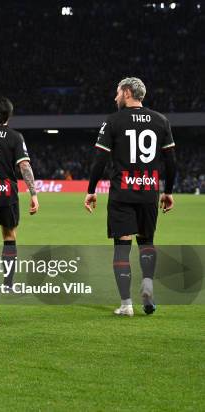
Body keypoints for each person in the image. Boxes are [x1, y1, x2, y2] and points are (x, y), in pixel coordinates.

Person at [85, 77, 177, 317]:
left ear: (127, 92)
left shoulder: (113, 121)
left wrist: (91, 190)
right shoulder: (161, 120)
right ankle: (147, 281)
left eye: (117, 93)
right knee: (146, 242)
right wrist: (167, 191)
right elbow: (171, 161)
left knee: (122, 249)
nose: (115, 97)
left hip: (122, 194)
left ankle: (126, 304)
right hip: (149, 193)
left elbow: (100, 161)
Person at [0, 97, 39, 323]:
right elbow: (24, 166)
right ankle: (9, 282)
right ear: (9, 116)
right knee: (9, 235)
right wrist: (33, 194)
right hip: (7, 193)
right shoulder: (15, 137)